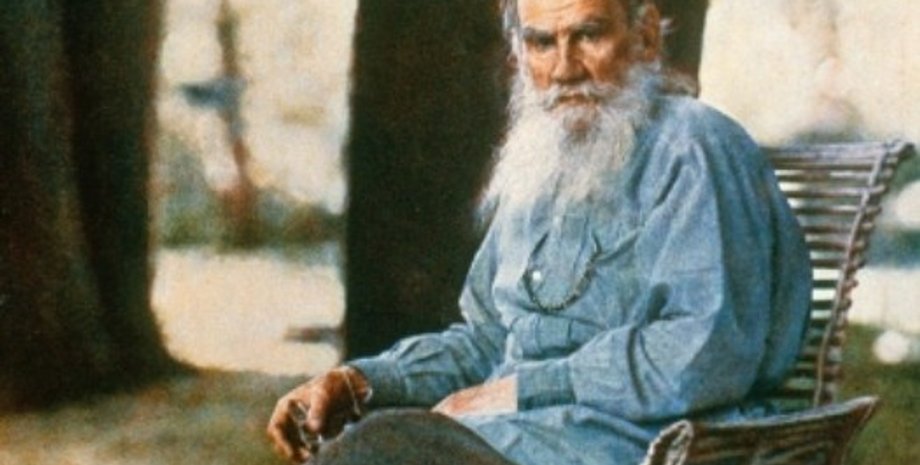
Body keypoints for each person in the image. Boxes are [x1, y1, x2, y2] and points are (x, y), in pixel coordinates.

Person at [267, 0, 812, 463]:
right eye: (542, 43)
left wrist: (522, 391)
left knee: (379, 451)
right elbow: (487, 339)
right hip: (514, 439)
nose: (565, 68)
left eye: (588, 35)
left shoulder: (691, 146)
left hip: (637, 443)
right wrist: (363, 381)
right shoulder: (542, 160)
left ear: (645, 37)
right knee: (370, 444)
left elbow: (704, 352)